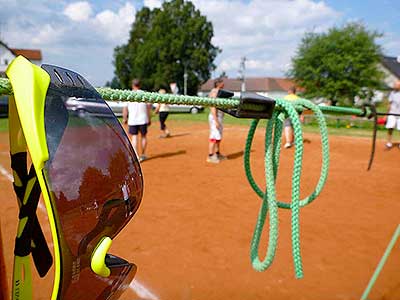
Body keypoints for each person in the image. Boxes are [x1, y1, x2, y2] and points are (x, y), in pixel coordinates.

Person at [123, 79, 152, 161]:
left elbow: (125, 109)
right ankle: (142, 154)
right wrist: (149, 118)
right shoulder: (144, 94)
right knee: (143, 136)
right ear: (140, 85)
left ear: (133, 85)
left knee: (134, 137)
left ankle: (136, 156)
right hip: (143, 119)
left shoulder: (129, 94)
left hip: (132, 120)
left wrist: (125, 118)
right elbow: (148, 107)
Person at [207, 78, 227, 163]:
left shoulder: (220, 92)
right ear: (218, 83)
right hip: (215, 117)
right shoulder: (214, 92)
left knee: (219, 137)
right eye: (222, 82)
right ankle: (210, 156)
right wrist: (216, 120)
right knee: (214, 136)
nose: (224, 83)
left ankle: (217, 153)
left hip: (219, 117)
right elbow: (212, 107)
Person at [385, 80, 400, 149]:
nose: (394, 86)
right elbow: (389, 104)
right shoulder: (392, 93)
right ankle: (389, 143)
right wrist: (386, 114)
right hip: (392, 113)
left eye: (396, 85)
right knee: (390, 128)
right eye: (394, 85)